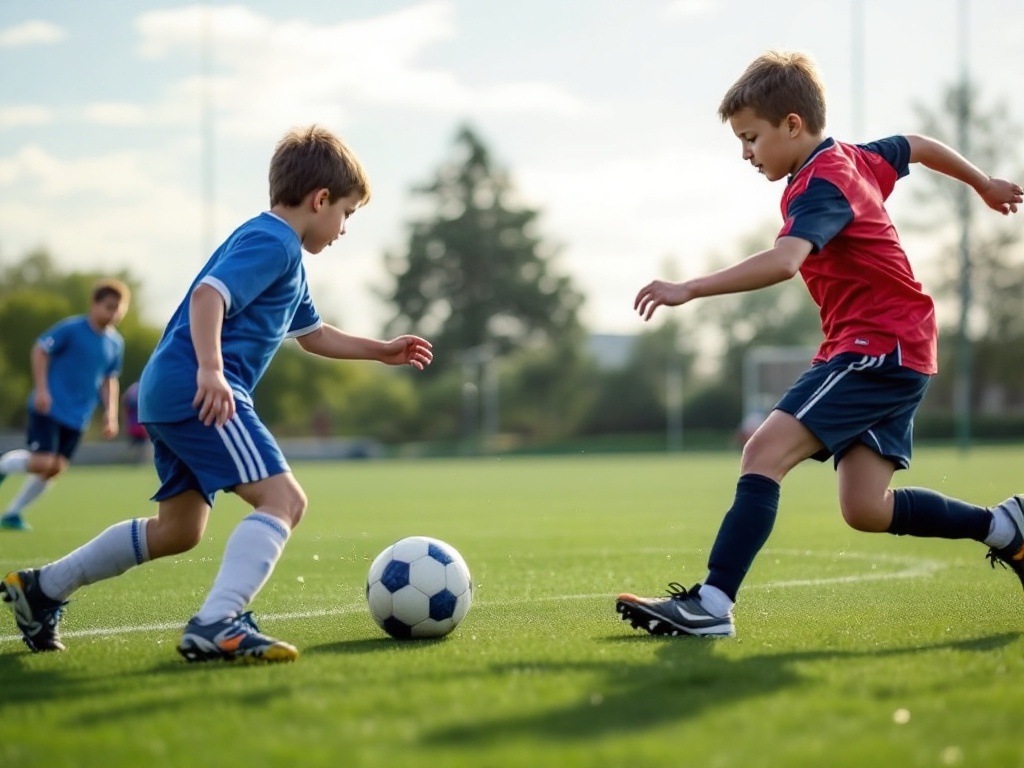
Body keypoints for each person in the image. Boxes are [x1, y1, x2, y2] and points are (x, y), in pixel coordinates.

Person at [615, 50, 1024, 638]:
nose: (746, 154)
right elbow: (917, 143)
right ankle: (1006, 528)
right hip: (903, 347)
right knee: (865, 508)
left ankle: (711, 603)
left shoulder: (820, 185)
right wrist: (982, 183)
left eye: (751, 138)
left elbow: (785, 262)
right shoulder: (855, 159)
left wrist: (689, 287)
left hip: (874, 346)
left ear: (792, 124)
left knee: (762, 453)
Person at [1, 125, 433, 662]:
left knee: (178, 529)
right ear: (320, 200)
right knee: (284, 500)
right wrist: (211, 370)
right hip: (198, 388)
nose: (345, 228)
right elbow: (210, 296)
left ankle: (42, 588)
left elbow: (314, 335)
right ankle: (218, 622)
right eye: (347, 213)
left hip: (169, 392)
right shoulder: (273, 242)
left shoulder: (284, 257)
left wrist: (381, 350)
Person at [0, 279, 129, 531]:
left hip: (78, 415)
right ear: (94, 304)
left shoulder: (116, 343)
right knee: (42, 462)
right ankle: (3, 465)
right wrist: (41, 389)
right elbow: (40, 349)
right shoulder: (72, 328)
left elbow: (109, 379)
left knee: (55, 468)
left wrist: (111, 413)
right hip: (49, 406)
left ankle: (12, 514)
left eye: (118, 308)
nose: (114, 313)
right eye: (109, 306)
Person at [120, 381, 150, 463]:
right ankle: (138, 460)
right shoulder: (144, 387)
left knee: (136, 444)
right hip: (140, 424)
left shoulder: (132, 389)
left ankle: (134, 460)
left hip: (133, 424)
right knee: (141, 444)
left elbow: (125, 404)